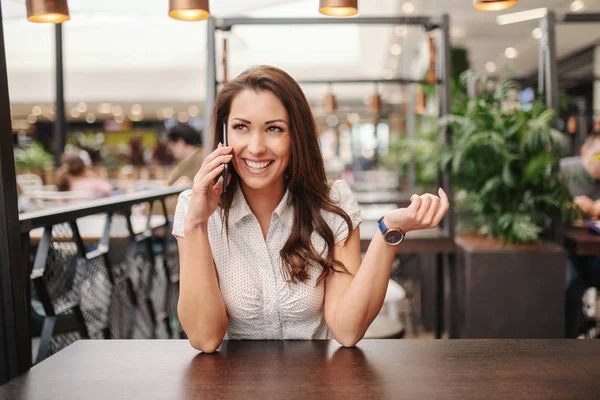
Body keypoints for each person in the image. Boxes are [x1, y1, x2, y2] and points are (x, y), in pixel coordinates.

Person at [172, 66, 449, 352]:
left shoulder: (333, 204)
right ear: (224, 134)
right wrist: (196, 224)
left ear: (296, 136)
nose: (255, 147)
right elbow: (205, 338)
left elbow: (347, 329)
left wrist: (390, 230)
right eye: (241, 127)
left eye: (274, 129)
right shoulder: (192, 208)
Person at [560, 132, 600, 338]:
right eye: (598, 156)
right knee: (572, 285)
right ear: (585, 151)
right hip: (564, 247)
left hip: (594, 251)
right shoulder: (564, 170)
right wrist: (570, 205)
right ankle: (569, 341)